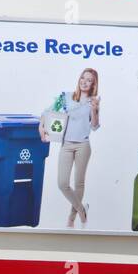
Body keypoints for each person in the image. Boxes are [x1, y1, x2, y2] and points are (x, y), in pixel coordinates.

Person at [41, 68, 101, 228]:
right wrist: (41, 126)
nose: (84, 82)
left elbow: (94, 126)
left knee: (79, 183)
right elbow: (48, 111)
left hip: (83, 145)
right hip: (66, 145)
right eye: (83, 78)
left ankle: (72, 218)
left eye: (89, 80)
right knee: (62, 183)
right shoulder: (66, 97)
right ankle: (82, 210)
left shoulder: (92, 102)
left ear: (93, 84)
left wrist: (95, 110)